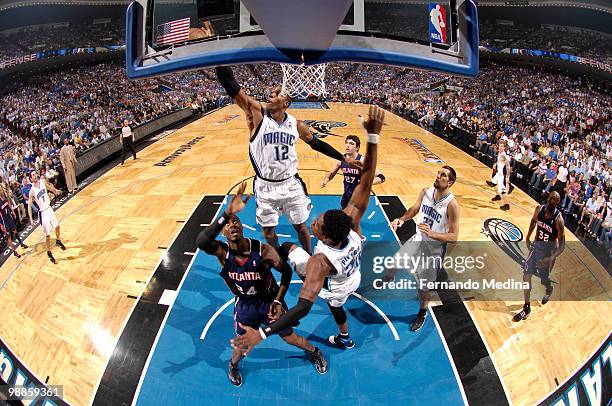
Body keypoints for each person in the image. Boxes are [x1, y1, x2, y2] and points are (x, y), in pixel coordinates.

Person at [229, 105, 384, 355]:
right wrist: (373, 137)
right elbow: (367, 176)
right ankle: (344, 337)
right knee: (290, 248)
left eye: (317, 226)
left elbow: (302, 306)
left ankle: (341, 334)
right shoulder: (352, 223)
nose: (313, 222)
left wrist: (262, 333)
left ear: (326, 238)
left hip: (332, 285)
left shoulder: (319, 264)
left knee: (331, 301)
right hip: (352, 276)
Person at [215, 66, 360, 254]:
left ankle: (309, 256)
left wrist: (343, 159)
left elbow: (316, 144)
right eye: (271, 92)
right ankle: (279, 256)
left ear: (286, 103)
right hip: (265, 186)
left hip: (291, 184)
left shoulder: (296, 125)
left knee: (301, 226)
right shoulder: (256, 116)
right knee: (268, 232)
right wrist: (222, 61)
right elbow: (231, 86)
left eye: (276, 94)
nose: (270, 94)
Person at [195, 181, 328, 387]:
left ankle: (315, 351)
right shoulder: (223, 253)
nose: (232, 225)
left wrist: (278, 299)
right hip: (245, 305)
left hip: (269, 302)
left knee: (290, 338)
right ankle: (233, 365)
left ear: (241, 225)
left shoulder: (263, 250)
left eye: (236, 221)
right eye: (228, 223)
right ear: (223, 231)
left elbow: (285, 272)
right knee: (241, 345)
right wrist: (227, 212)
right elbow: (202, 241)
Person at [390, 165, 459, 331]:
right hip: (419, 239)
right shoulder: (425, 192)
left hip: (434, 249)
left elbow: (454, 236)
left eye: (442, 175)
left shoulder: (452, 204)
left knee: (423, 286)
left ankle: (422, 311)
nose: (437, 176)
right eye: (438, 173)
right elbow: (414, 209)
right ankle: (389, 279)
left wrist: (433, 234)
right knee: (394, 263)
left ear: (450, 182)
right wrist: (401, 219)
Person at [513, 191, 565, 322]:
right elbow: (533, 221)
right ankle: (527, 307)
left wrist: (551, 258)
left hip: (548, 253)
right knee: (526, 275)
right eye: (551, 199)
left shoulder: (558, 220)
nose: (552, 201)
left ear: (558, 203)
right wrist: (528, 237)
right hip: (536, 248)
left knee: (544, 279)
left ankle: (549, 288)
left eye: (555, 200)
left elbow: (562, 245)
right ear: (548, 198)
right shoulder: (539, 209)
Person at [321, 135, 385, 209]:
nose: (348, 145)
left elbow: (381, 177)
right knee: (345, 214)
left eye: (351, 143)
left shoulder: (362, 161)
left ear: (357, 148)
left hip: (359, 196)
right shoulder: (341, 159)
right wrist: (326, 179)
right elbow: (331, 173)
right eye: (347, 143)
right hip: (347, 194)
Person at [27, 171, 66, 264]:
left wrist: (55, 190)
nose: (35, 175)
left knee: (57, 226)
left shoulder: (42, 181)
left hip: (49, 209)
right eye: (32, 175)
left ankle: (58, 241)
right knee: (48, 235)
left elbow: (49, 187)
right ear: (31, 179)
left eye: (35, 174)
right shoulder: (32, 191)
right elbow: (29, 206)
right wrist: (31, 219)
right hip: (43, 213)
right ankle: (49, 251)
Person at [0, 189, 28, 258]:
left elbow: (9, 205)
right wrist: (1, 225)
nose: (1, 191)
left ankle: (21, 243)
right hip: (4, 222)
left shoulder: (5, 198)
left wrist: (13, 212)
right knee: (9, 237)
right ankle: (14, 252)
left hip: (9, 218)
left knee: (15, 231)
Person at [488, 145, 511, 211]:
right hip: (498, 173)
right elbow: (498, 161)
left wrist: (507, 177)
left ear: (504, 148)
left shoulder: (503, 155)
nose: (500, 147)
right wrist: (495, 164)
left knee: (503, 191)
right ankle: (497, 196)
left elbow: (508, 166)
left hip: (502, 176)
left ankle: (507, 205)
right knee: (493, 183)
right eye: (500, 146)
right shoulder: (499, 153)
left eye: (502, 146)